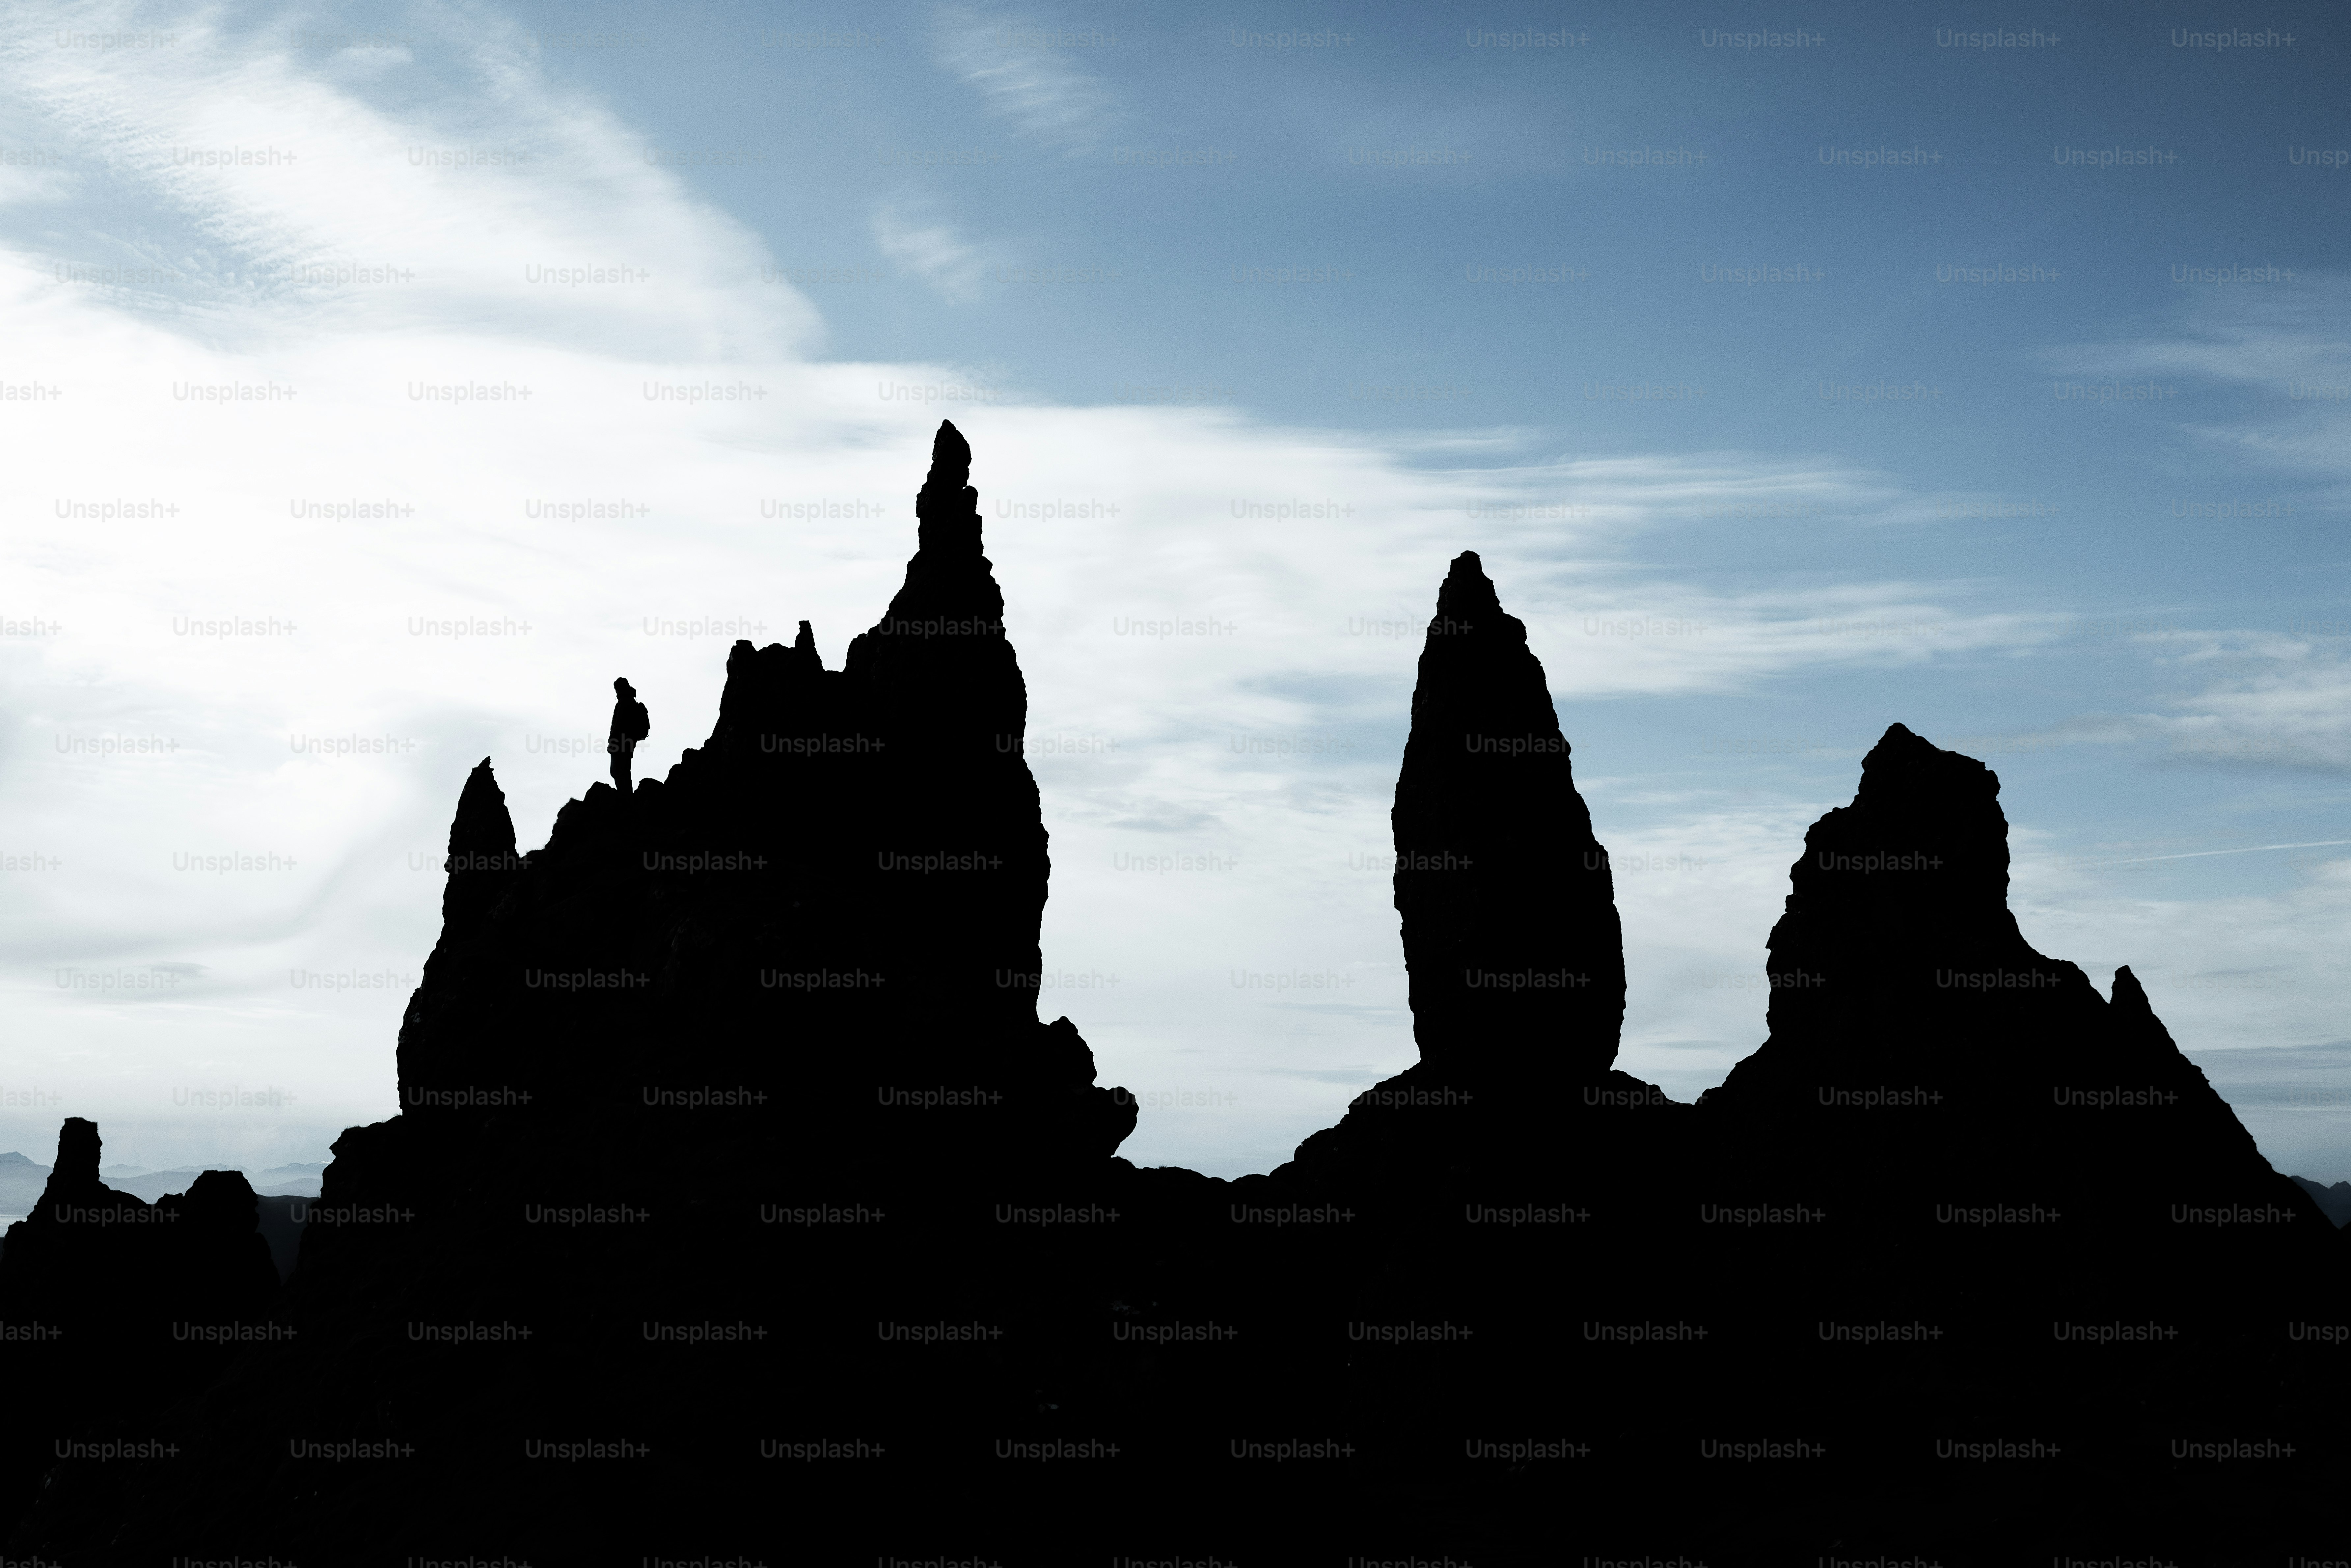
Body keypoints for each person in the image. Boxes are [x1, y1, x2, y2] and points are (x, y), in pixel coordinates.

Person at [608, 678, 650, 794]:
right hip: (628, 742)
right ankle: (626, 796)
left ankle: (625, 797)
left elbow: (619, 724)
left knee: (618, 771)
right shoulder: (630, 700)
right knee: (623, 771)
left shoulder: (624, 702)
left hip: (621, 742)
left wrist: (612, 742)